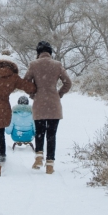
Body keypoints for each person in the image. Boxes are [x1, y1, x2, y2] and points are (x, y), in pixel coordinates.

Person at [23, 40, 72, 174]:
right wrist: (59, 94)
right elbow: (68, 83)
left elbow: (25, 82)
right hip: (54, 104)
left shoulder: (33, 65)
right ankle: (50, 165)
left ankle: (39, 157)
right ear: (50, 52)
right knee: (51, 135)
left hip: (39, 102)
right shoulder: (57, 65)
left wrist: (32, 93)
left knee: (39, 131)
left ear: (38, 52)